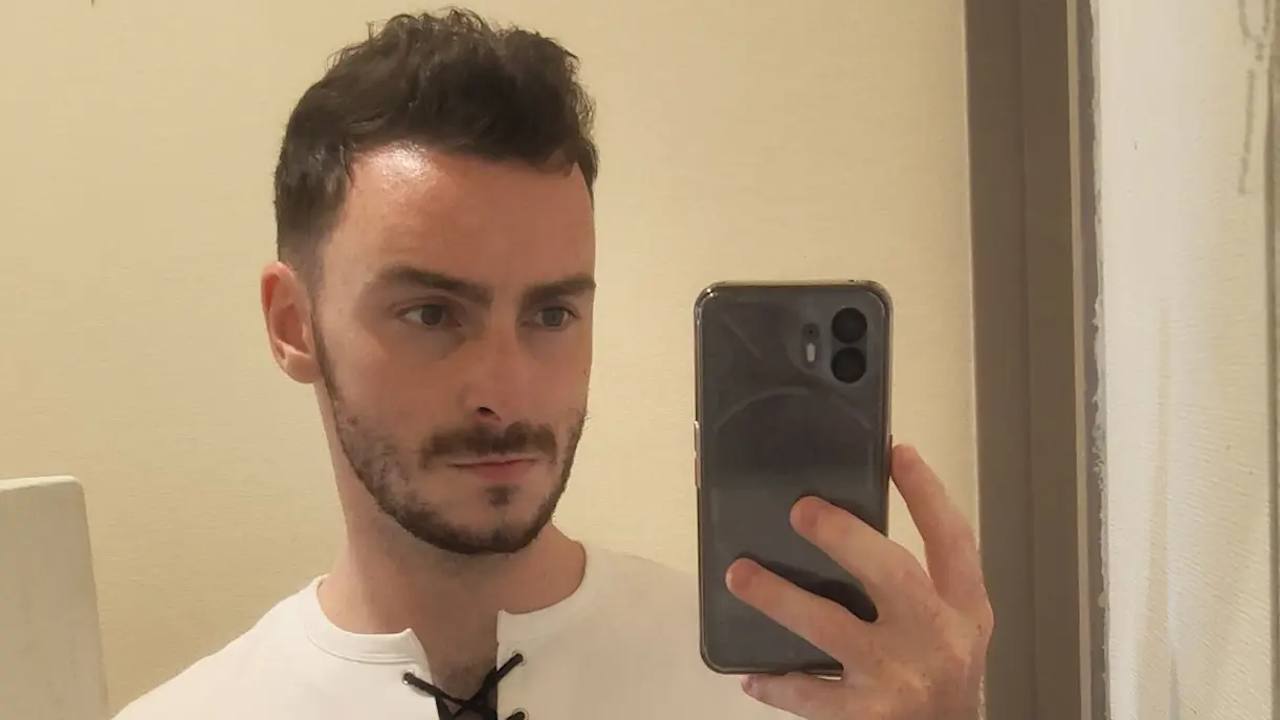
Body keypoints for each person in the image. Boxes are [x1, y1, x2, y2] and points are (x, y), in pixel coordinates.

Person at [113, 9, 993, 720]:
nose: (507, 391)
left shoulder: (790, 701)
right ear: (293, 324)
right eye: (431, 314)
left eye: (550, 314)